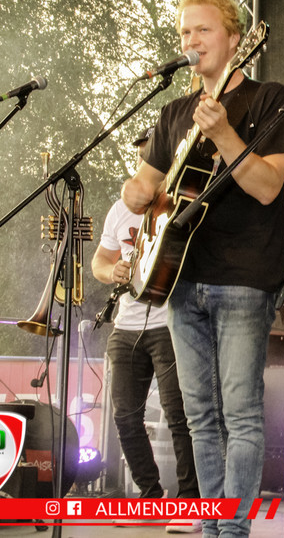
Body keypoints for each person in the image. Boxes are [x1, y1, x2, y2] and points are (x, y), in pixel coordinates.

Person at [122, 0, 284, 537]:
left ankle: (234, 531)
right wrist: (134, 192)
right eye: (184, 32)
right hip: (180, 279)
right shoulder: (173, 113)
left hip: (245, 277)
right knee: (199, 416)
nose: (191, 41)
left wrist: (223, 133)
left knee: (240, 413)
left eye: (202, 30)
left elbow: (267, 187)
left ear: (235, 39)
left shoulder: (269, 98)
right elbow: (146, 185)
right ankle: (211, 526)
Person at [92, 127, 201, 533]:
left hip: (169, 322)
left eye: (151, 157)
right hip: (126, 324)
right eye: (141, 157)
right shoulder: (120, 209)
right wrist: (112, 272)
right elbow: (99, 262)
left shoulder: (181, 203)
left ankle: (190, 502)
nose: (144, 165)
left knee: (180, 416)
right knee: (124, 415)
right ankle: (150, 495)